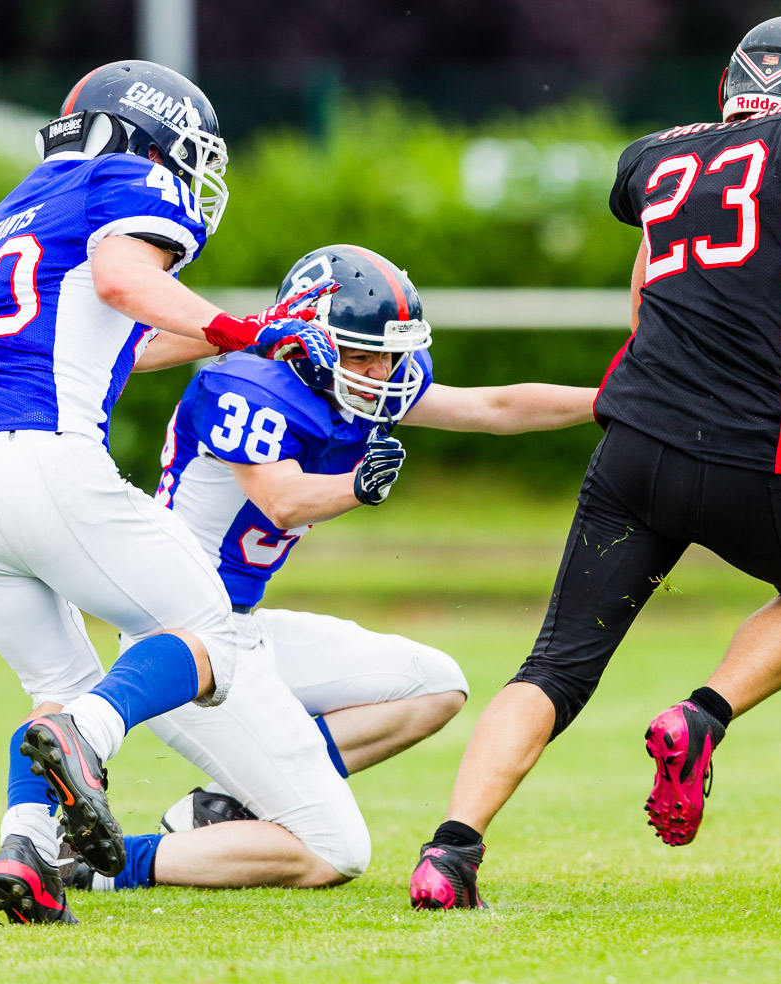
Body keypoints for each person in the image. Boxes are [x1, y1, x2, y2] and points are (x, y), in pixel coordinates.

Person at [409, 14, 781, 911]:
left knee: (555, 665)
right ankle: (702, 715)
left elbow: (643, 297)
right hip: (757, 452)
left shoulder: (660, 155)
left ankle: (450, 852)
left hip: (637, 443)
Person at [45, 244, 597, 894]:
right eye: (362, 353)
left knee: (434, 685)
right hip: (182, 648)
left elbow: (493, 408)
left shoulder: (357, 384)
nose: (382, 370)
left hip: (240, 630)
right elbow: (282, 501)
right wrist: (355, 488)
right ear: (309, 339)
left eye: (389, 353)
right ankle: (102, 866)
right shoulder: (247, 385)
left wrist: (616, 401)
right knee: (335, 852)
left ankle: (232, 803)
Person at [0, 60, 334, 925]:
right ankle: (90, 740)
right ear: (149, 133)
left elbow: (115, 339)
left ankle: (24, 857)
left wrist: (233, 344)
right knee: (212, 634)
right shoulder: (125, 177)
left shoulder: (17, 205)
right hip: (45, 461)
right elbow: (128, 283)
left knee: (52, 676)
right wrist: (240, 327)